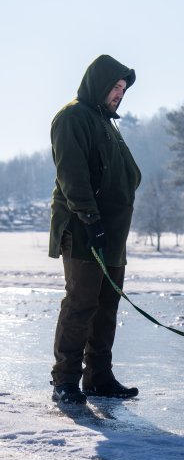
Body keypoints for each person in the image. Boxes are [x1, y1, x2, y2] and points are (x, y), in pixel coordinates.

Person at [49, 54, 141, 404]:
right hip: (84, 228)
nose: (119, 93)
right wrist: (89, 219)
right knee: (81, 304)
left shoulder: (107, 123)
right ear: (98, 83)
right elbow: (72, 174)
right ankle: (66, 380)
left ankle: (99, 376)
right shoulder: (73, 117)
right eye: (114, 86)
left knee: (107, 306)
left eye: (122, 88)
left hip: (113, 234)